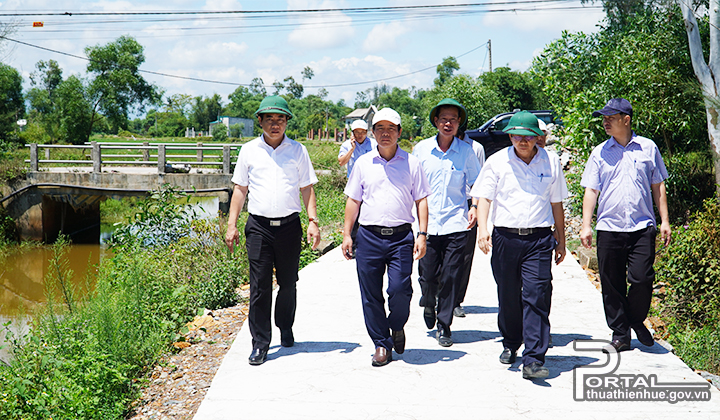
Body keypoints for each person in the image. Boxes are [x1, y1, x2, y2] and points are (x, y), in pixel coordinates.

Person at [225, 95, 321, 366]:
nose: (275, 124)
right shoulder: (249, 150)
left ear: (287, 122)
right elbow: (240, 189)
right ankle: (260, 343)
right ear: (260, 122)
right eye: (270, 119)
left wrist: (313, 221)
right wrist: (231, 225)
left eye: (280, 119)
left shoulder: (298, 150)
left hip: (290, 227)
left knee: (289, 283)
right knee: (259, 286)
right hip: (258, 227)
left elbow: (307, 187)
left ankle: (285, 326)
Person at [471, 110, 567, 380]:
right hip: (505, 238)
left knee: (537, 295)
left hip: (538, 239)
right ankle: (511, 341)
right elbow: (485, 197)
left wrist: (560, 239)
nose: (521, 141)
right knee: (509, 296)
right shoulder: (497, 161)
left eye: (527, 136)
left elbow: (556, 201)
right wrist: (483, 230)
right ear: (510, 136)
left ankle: (534, 358)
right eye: (516, 135)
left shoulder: (551, 161)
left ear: (537, 138)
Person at [580, 98, 671, 353]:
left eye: (611, 117)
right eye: (604, 117)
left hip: (642, 226)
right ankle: (620, 333)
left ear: (626, 120)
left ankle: (635, 319)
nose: (605, 121)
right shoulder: (599, 152)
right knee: (611, 283)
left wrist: (664, 220)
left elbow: (658, 186)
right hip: (609, 227)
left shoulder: (648, 148)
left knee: (642, 278)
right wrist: (586, 225)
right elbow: (591, 190)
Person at [341, 107, 430, 367]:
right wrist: (347, 234)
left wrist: (422, 234)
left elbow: (421, 199)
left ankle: (397, 325)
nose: (385, 133)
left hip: (401, 237)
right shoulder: (363, 163)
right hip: (368, 236)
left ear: (399, 132)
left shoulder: (412, 163)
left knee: (400, 289)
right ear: (373, 133)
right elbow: (353, 200)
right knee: (370, 293)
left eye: (391, 129)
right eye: (380, 128)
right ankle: (381, 343)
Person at [413, 98, 481, 347]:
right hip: (427, 225)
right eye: (444, 119)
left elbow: (477, 184)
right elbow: (411, 184)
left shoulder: (466, 152)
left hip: (455, 223)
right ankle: (428, 302)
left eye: (453, 119)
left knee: (451, 275)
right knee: (428, 276)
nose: (448, 123)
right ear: (435, 122)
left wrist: (474, 207)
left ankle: (445, 325)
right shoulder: (421, 150)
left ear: (459, 122)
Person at [455, 121, 486, 318]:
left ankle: (456, 300)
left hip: (469, 205)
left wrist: (477, 208)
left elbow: (481, 182)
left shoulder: (476, 148)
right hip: (446, 204)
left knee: (465, 254)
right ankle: (438, 294)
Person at [338, 119, 377, 255]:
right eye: (357, 132)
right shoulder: (346, 145)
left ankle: (369, 244)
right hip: (354, 184)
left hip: (371, 183)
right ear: (352, 133)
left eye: (362, 132)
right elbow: (341, 162)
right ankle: (352, 245)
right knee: (354, 216)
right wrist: (352, 149)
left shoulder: (373, 144)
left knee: (370, 213)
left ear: (367, 132)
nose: (360, 135)